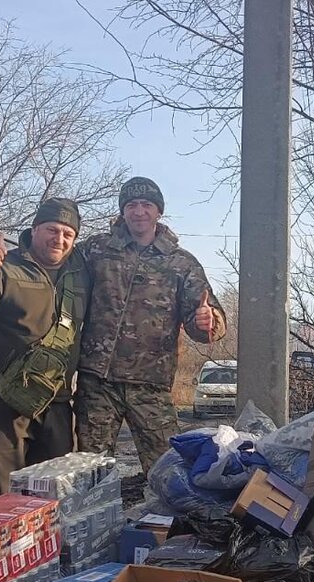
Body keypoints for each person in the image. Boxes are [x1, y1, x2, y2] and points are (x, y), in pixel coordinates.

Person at [76, 176, 226, 475]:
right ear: (123, 211)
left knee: (167, 469)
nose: (139, 211)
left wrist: (206, 321)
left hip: (150, 383)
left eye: (146, 204)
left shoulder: (181, 263)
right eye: (131, 205)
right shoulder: (96, 250)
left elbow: (209, 318)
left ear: (158, 211)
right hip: (98, 382)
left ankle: (162, 509)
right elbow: (57, 273)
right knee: (90, 470)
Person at [0, 197, 88, 498]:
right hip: (4, 398)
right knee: (2, 496)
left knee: (55, 496)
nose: (59, 239)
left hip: (55, 400)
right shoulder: (6, 265)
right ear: (35, 229)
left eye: (68, 234)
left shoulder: (82, 275)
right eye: (52, 229)